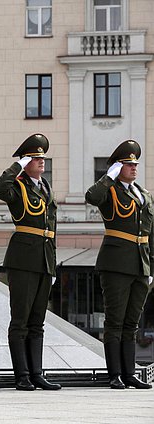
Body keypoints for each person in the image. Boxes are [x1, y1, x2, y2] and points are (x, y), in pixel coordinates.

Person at [0, 134, 61, 391]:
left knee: (37, 322)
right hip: (23, 259)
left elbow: (51, 228)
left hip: (44, 260)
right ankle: (21, 375)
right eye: (35, 158)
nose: (41, 161)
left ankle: (37, 373)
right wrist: (17, 166)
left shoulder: (45, 187)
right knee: (20, 320)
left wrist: (52, 264)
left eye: (42, 157)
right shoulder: (17, 186)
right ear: (26, 161)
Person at [85, 139, 153, 390]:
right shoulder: (109, 192)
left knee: (132, 323)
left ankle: (129, 374)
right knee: (115, 321)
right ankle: (114, 374)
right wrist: (108, 177)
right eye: (127, 164)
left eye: (135, 163)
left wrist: (151, 268)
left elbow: (151, 234)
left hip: (140, 265)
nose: (134, 167)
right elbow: (91, 197)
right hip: (116, 264)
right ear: (117, 167)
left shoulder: (144, 195)